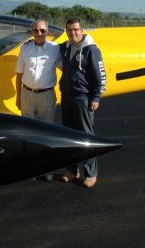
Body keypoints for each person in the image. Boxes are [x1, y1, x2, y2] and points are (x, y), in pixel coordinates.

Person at [58, 18, 107, 188]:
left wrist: (96, 97)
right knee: (69, 135)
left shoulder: (91, 50)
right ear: (66, 31)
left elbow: (101, 76)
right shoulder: (65, 48)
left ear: (82, 30)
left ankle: (90, 173)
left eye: (76, 29)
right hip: (67, 97)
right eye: (70, 30)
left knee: (86, 136)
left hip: (83, 98)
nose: (73, 33)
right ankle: (72, 171)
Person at [15, 19, 60, 181]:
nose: (39, 33)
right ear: (32, 32)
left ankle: (47, 169)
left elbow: (68, 67)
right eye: (35, 30)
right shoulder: (25, 48)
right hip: (27, 94)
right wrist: (18, 97)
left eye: (42, 30)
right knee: (27, 133)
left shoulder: (56, 49)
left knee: (47, 133)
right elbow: (19, 74)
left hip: (47, 95)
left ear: (47, 31)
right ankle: (31, 169)